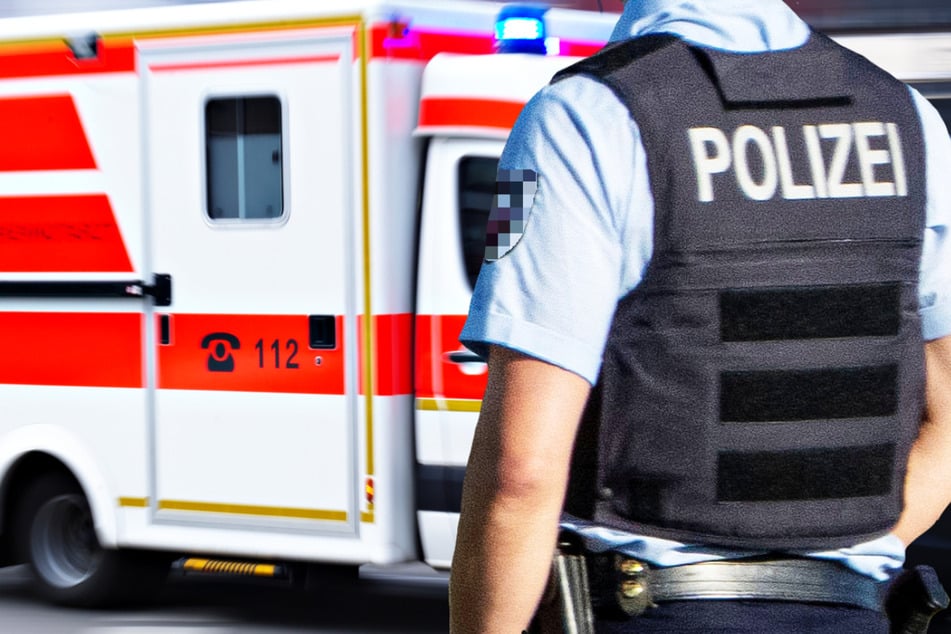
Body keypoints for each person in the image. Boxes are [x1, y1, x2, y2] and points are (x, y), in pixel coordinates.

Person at [448, 0, 951, 632]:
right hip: (850, 613)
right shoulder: (909, 120)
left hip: (649, 611)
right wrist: (831, 565)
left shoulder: (575, 119)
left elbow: (519, 475)